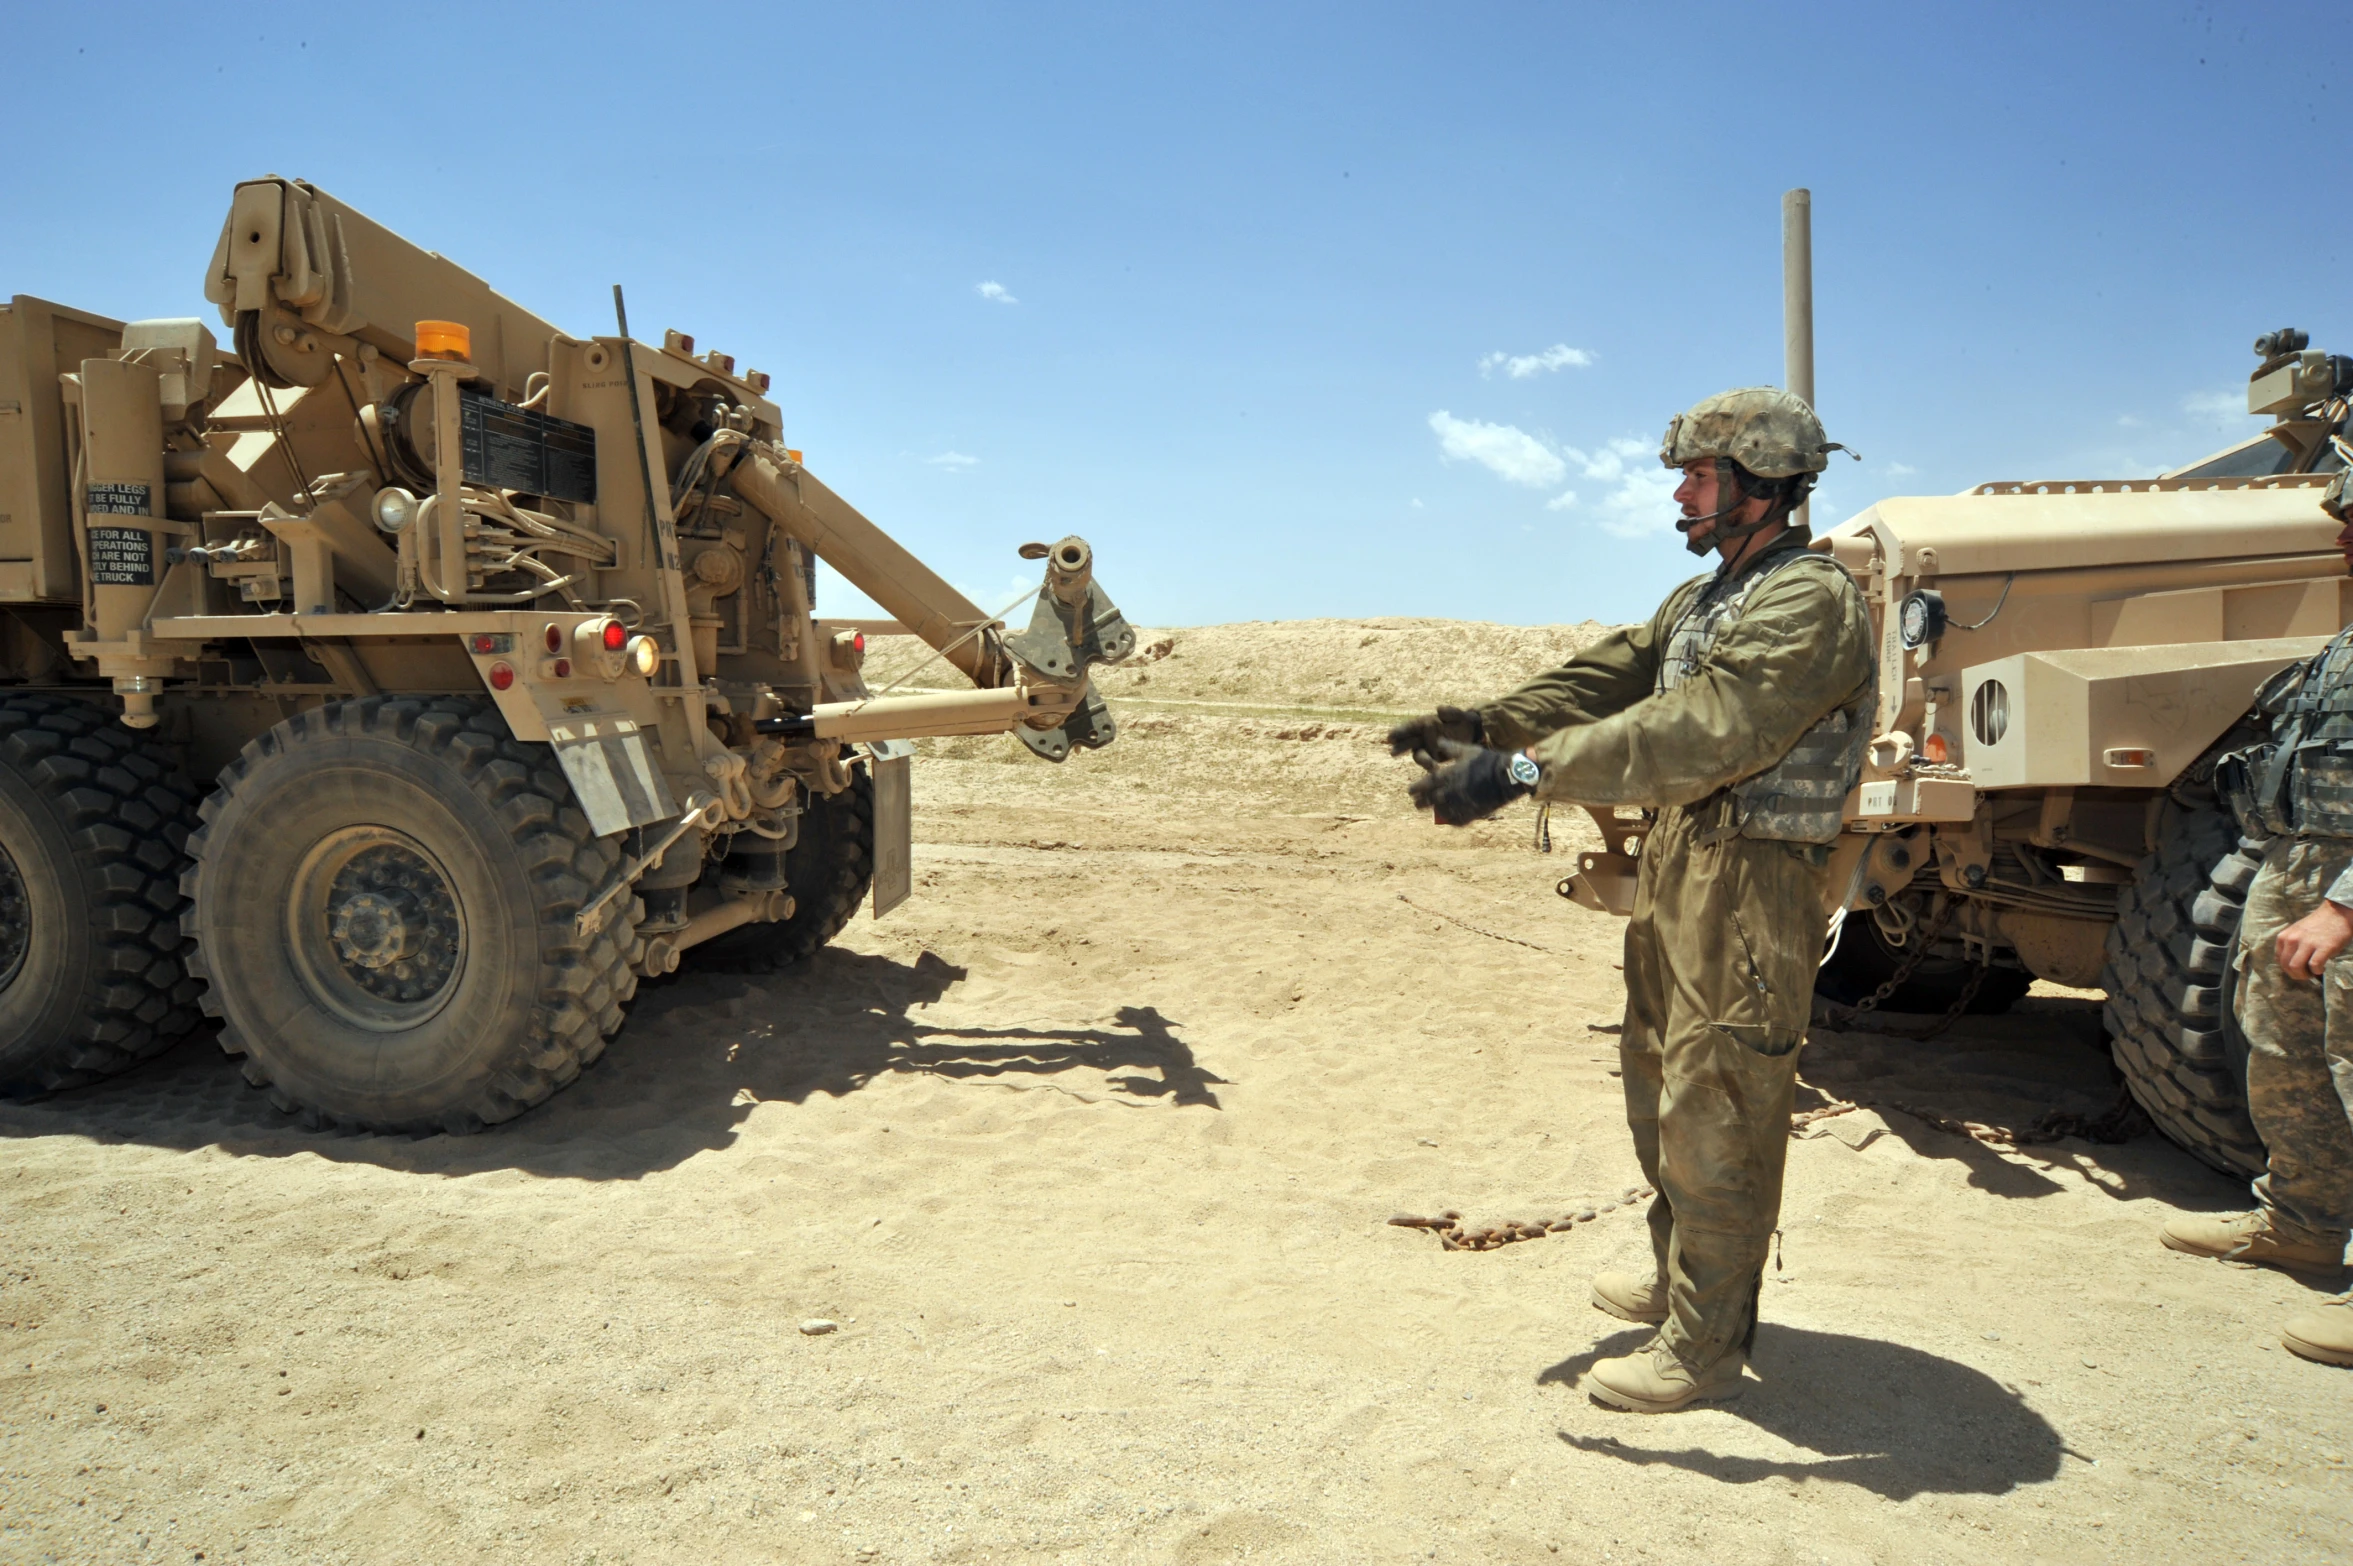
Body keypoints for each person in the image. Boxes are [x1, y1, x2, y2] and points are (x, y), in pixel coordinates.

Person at [1389, 387, 1873, 1412]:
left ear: (1761, 482)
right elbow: (1615, 676)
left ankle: (1705, 1340)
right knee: (1656, 1080)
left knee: (1720, 1098)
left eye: (1699, 478)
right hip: (1681, 862)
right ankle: (1676, 1280)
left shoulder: (1808, 601)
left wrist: (1523, 775)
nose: (1681, 497)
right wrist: (1487, 723)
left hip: (1753, 880)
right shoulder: (1700, 601)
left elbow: (1705, 727)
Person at [2162, 464, 2353, 1369]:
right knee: (2284, 1057)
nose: (2343, 534)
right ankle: (2302, 1224)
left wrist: (2344, 904)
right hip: (2299, 862)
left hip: (2343, 882)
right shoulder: (2343, 642)